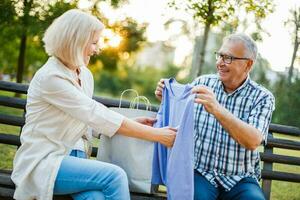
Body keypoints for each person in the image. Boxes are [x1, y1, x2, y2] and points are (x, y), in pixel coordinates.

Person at [11, 9, 176, 200]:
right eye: (94, 42)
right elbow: (94, 112)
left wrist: (135, 123)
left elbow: (84, 118)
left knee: (96, 197)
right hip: (45, 162)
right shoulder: (51, 77)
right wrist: (158, 135)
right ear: (76, 41)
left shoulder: (84, 74)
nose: (98, 49)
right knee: (115, 176)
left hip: (77, 158)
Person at [155, 33, 275, 200]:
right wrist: (167, 97)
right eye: (220, 55)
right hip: (200, 172)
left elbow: (253, 140)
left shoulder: (263, 97)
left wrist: (217, 109)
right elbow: (179, 118)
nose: (220, 63)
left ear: (248, 64)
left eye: (228, 58)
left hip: (240, 178)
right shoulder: (202, 83)